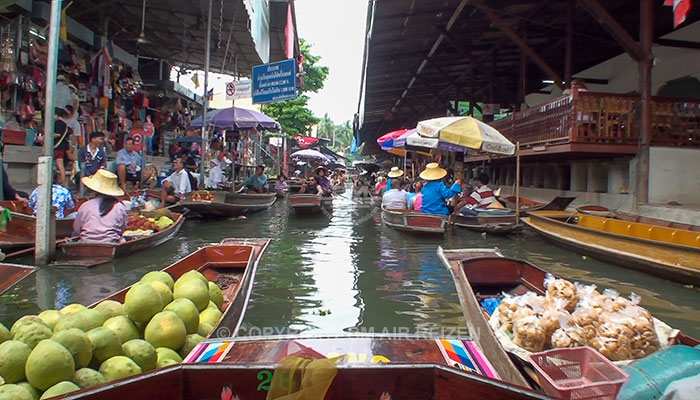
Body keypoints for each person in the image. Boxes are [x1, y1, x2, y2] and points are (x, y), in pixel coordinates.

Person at [73, 170, 127, 243]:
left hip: (86, 241)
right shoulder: (119, 206)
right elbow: (123, 228)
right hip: (110, 241)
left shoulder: (86, 205)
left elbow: (77, 228)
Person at [53, 108, 71, 186]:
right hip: (62, 146)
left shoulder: (58, 123)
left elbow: (58, 134)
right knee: (60, 166)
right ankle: (62, 182)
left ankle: (62, 182)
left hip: (58, 147)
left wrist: (48, 136)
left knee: (60, 166)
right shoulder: (65, 124)